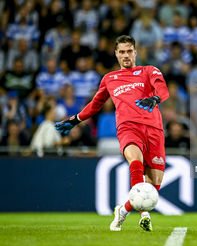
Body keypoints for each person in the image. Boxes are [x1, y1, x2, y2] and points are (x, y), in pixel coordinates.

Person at [55, 35, 169, 232]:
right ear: (116, 54)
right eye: (121, 52)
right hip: (128, 127)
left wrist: (156, 98)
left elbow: (163, 88)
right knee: (135, 161)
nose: (125, 55)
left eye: (129, 51)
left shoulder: (149, 70)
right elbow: (95, 104)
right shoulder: (110, 79)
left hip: (154, 130)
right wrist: (75, 120)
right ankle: (145, 215)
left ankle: (122, 211)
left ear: (135, 52)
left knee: (154, 186)